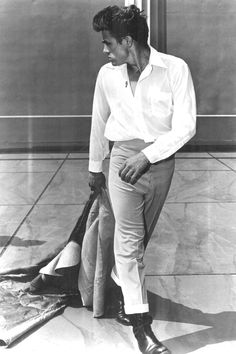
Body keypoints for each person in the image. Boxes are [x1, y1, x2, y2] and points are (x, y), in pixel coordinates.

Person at [89, 5, 196, 354]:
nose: (105, 50)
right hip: (121, 162)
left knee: (139, 239)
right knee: (129, 241)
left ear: (128, 41)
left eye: (108, 43)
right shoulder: (107, 75)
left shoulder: (175, 70)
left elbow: (186, 127)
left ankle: (123, 286)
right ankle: (142, 328)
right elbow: (98, 120)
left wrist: (148, 157)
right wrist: (95, 167)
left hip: (160, 162)